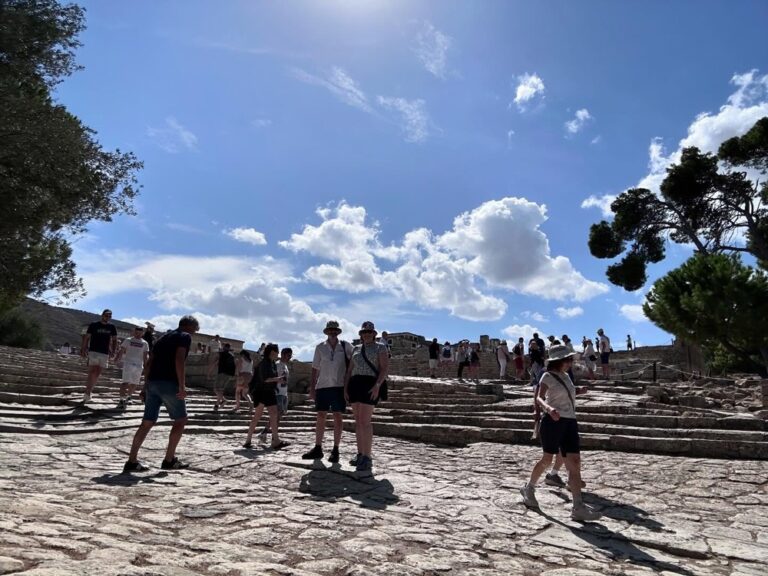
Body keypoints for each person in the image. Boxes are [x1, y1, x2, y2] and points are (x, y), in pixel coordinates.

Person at [519, 344, 599, 521]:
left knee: (574, 462)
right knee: (547, 459)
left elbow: (567, 394)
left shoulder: (566, 377)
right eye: (568, 359)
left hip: (570, 421)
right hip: (552, 421)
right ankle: (529, 487)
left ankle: (578, 506)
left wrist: (580, 391)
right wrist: (549, 409)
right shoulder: (547, 375)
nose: (571, 362)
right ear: (559, 361)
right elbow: (539, 397)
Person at [123, 315, 200, 472]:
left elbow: (150, 362)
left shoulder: (162, 339)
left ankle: (132, 461)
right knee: (181, 419)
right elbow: (179, 360)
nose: (195, 333)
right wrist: (182, 385)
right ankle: (169, 459)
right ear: (188, 327)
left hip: (153, 383)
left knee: (147, 422)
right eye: (195, 330)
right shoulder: (184, 336)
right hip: (169, 382)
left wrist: (145, 386)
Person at [302, 321, 352, 463]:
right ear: (326, 332)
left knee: (337, 416)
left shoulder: (346, 346)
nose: (332, 332)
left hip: (339, 385)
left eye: (334, 330)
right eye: (330, 330)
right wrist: (312, 388)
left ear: (338, 332)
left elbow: (354, 361)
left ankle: (336, 449)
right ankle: (318, 447)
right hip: (322, 385)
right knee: (321, 415)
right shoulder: (320, 347)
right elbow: (314, 368)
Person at [344, 321, 389, 473]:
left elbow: (384, 369)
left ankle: (367, 456)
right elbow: (350, 370)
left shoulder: (380, 347)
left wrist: (377, 385)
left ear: (374, 334)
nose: (367, 334)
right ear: (361, 335)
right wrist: (345, 388)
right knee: (358, 421)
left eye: (369, 332)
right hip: (355, 384)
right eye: (364, 332)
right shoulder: (356, 349)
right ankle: (360, 453)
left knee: (365, 421)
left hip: (370, 383)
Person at [243, 344, 289, 450]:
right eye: (276, 352)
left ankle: (272, 440)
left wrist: (277, 381)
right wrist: (278, 379)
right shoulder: (264, 363)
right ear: (271, 352)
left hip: (269, 391)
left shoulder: (272, 363)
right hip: (262, 392)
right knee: (263, 416)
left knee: (270, 415)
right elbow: (266, 379)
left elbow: (270, 378)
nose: (277, 354)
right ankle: (252, 440)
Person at [80, 309, 118, 403]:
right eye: (106, 315)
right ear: (102, 315)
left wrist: (113, 351)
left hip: (104, 352)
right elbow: (87, 337)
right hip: (93, 350)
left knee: (97, 373)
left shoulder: (112, 327)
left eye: (110, 316)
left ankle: (89, 391)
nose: (108, 317)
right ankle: (87, 393)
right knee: (92, 371)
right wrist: (83, 349)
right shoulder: (94, 325)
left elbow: (114, 340)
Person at [259, 347, 292, 441]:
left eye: (290, 355)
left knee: (278, 415)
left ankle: (264, 432)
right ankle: (274, 437)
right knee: (276, 416)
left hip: (284, 393)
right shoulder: (277, 365)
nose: (289, 357)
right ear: (282, 354)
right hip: (277, 393)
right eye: (288, 355)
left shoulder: (285, 366)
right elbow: (271, 378)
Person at [115, 326, 150, 409]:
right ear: (134, 332)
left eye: (140, 333)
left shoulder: (145, 343)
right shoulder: (128, 340)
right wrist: (118, 359)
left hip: (139, 365)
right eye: (136, 333)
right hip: (128, 363)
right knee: (125, 382)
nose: (138, 335)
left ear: (142, 333)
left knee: (134, 383)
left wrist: (146, 366)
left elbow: (145, 355)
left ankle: (129, 396)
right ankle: (121, 399)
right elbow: (122, 350)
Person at [213, 343, 236, 412]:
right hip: (228, 375)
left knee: (216, 389)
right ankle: (217, 405)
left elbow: (215, 361)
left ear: (224, 347)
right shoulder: (232, 355)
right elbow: (234, 365)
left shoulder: (221, 353)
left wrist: (210, 371)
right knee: (220, 390)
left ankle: (223, 400)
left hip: (222, 373)